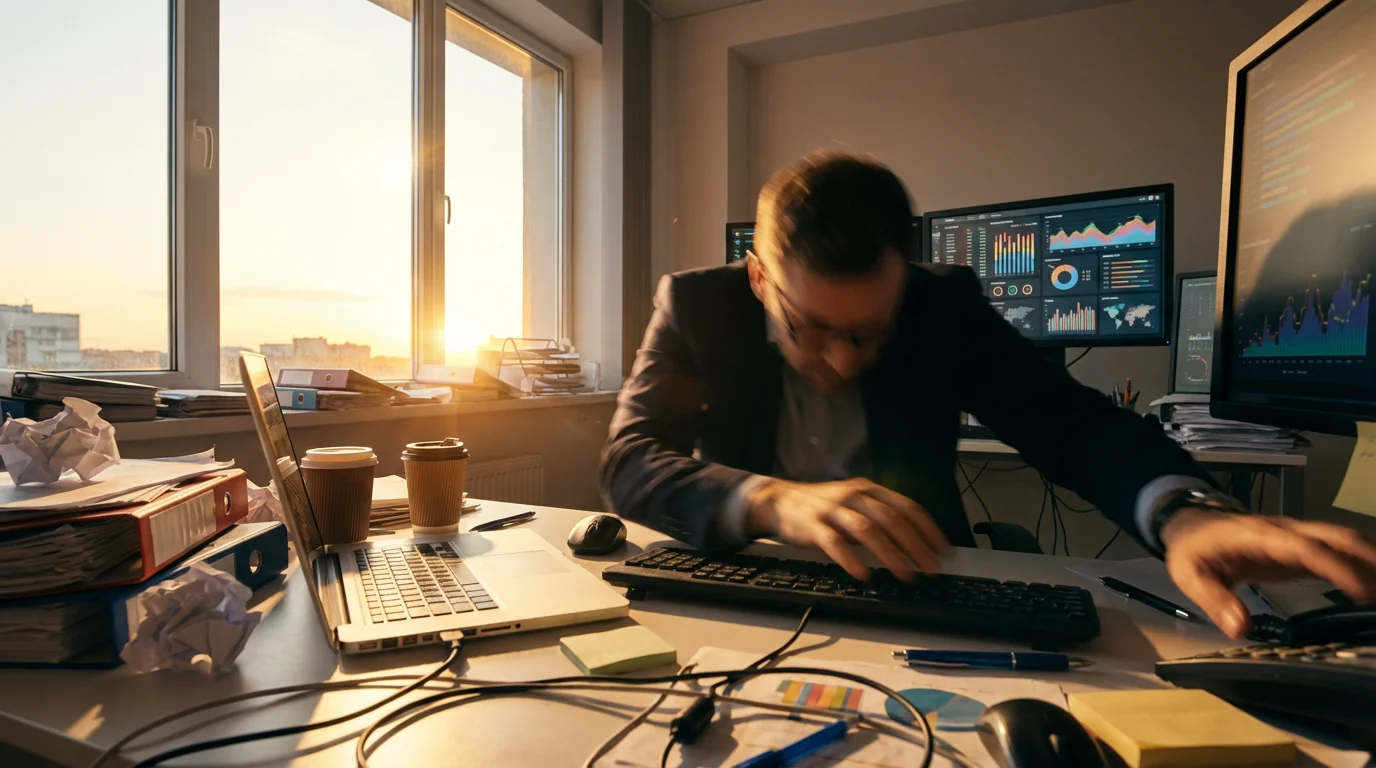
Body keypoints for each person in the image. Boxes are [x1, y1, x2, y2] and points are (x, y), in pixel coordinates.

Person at [600, 151, 1376, 639]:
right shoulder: (698, 306)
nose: (839, 361)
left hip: (916, 595)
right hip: (741, 598)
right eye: (809, 328)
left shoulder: (944, 304)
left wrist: (1184, 516)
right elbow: (631, 460)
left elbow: (1066, 422)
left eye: (869, 331)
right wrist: (772, 501)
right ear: (760, 278)